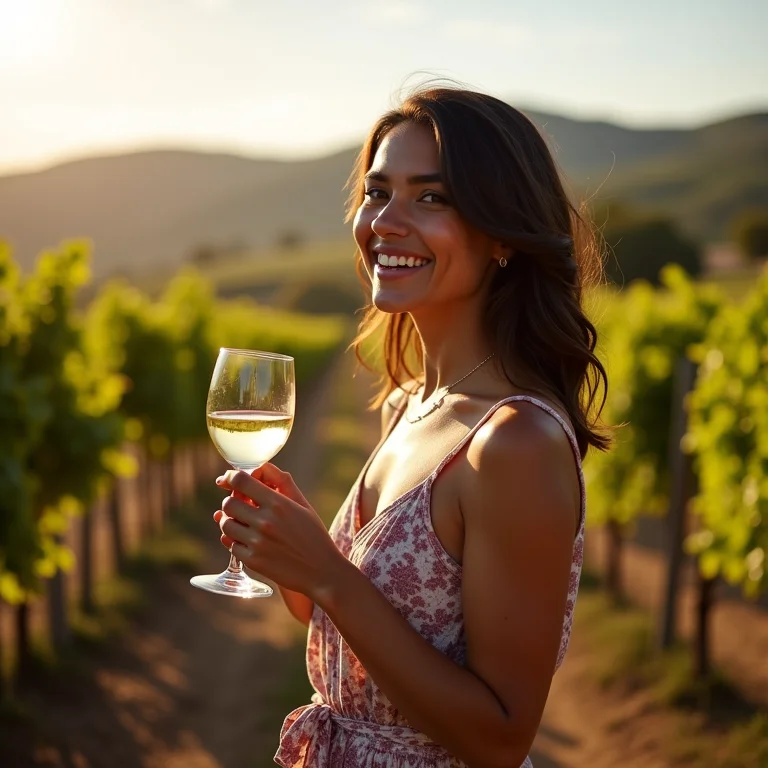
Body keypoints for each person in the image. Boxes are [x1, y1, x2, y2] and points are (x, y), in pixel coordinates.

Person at [213, 85, 610, 768]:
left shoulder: (513, 442)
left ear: (503, 236)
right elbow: (353, 631)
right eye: (377, 192)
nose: (386, 222)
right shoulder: (406, 403)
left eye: (431, 197)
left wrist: (329, 574)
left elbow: (501, 738)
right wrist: (298, 559)